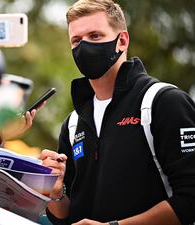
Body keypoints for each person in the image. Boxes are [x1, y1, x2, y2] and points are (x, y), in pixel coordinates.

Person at [41, 0, 195, 224]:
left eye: (95, 36)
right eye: (76, 40)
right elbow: (64, 217)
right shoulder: (74, 123)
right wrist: (54, 192)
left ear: (122, 41)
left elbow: (190, 199)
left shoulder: (164, 102)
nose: (84, 47)